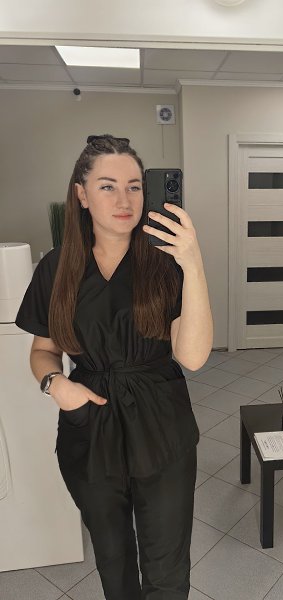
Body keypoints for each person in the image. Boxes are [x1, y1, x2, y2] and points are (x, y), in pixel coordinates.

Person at [15, 134, 213, 600]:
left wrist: (193, 263)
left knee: (167, 568)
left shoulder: (166, 262)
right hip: (92, 424)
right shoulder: (57, 268)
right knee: (113, 560)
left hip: (161, 423)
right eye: (107, 186)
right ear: (81, 195)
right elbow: (42, 351)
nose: (125, 200)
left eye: (135, 187)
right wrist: (55, 384)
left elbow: (193, 356)